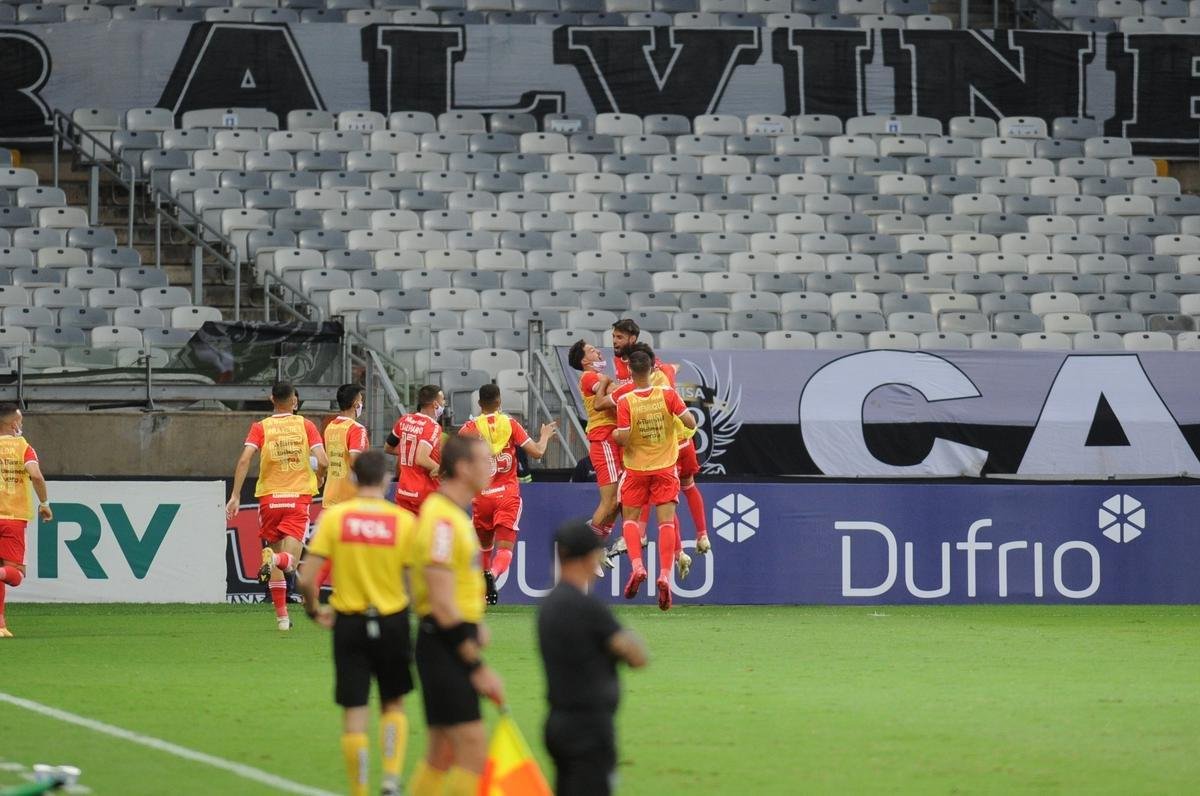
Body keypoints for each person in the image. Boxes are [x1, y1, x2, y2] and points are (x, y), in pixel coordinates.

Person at [299, 451, 416, 796]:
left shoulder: (336, 519)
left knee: (355, 708)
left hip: (348, 623)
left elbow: (307, 578)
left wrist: (312, 610)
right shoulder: (403, 521)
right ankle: (391, 779)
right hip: (392, 619)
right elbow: (413, 578)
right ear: (386, 480)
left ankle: (360, 789)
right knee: (393, 701)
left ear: (352, 479)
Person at [408, 435, 505, 796]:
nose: (491, 467)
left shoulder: (449, 515)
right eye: (485, 460)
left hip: (444, 638)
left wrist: (474, 621)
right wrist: (475, 665)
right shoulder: (444, 522)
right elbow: (441, 600)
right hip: (444, 643)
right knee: (472, 750)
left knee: (441, 753)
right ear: (463, 468)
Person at [538, 520, 648, 796]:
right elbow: (636, 656)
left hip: (557, 722)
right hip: (589, 727)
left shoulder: (548, 605)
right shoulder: (588, 608)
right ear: (592, 556)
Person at [225, 382, 329, 630]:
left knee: (275, 558)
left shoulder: (260, 427)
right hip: (296, 499)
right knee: (289, 562)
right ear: (294, 401)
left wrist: (236, 495)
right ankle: (273, 559)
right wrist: (320, 476)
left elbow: (244, 460)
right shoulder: (306, 425)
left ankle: (282, 618)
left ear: (272, 399)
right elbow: (323, 460)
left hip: (269, 500)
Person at [458, 384, 557, 604]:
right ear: (499, 402)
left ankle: (482, 594)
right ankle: (492, 574)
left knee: (484, 547)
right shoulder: (510, 424)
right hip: (507, 495)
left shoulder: (469, 428)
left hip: (481, 497)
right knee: (504, 549)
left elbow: (454, 461)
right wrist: (545, 435)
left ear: (479, 404)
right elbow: (538, 452)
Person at [612, 349, 696, 610]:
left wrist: (616, 434)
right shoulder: (668, 395)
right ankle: (664, 576)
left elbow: (623, 437)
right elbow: (691, 421)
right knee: (666, 523)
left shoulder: (625, 401)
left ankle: (637, 566)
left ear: (630, 373)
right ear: (651, 370)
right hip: (665, 468)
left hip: (636, 470)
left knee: (630, 520)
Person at [0, 404, 52, 638]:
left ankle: (0, 625)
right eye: (20, 421)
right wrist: (44, 503)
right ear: (13, 424)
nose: (21, 425)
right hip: (12, 517)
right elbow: (36, 475)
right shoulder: (23, 447)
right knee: (16, 573)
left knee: (2, 571)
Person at [567, 341, 621, 544]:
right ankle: (587, 547)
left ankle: (597, 544)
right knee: (610, 501)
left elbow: (613, 390)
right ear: (584, 360)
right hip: (603, 438)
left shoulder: (601, 377)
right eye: (592, 351)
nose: (598, 352)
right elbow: (611, 393)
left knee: (619, 500)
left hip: (613, 439)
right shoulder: (589, 376)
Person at [384, 384, 445, 515]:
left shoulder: (404, 420)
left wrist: (407, 451)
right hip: (425, 496)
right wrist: (442, 469)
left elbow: (388, 447)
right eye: (443, 399)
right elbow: (421, 458)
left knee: (406, 534)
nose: (444, 403)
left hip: (403, 492)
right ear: (435, 404)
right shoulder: (433, 426)